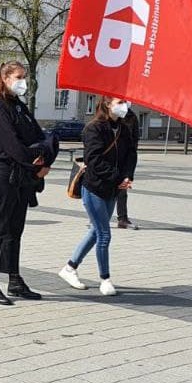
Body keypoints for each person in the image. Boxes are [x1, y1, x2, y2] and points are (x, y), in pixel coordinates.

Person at [0, 61, 51, 305]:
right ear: (5, 78)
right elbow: (12, 145)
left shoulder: (18, 106)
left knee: (15, 229)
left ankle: (14, 279)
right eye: (19, 77)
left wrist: (44, 156)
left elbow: (37, 136)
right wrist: (36, 166)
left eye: (25, 77)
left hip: (21, 174)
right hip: (3, 173)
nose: (23, 81)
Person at [58, 96, 137, 296]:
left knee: (96, 231)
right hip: (95, 187)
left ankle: (69, 268)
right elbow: (93, 159)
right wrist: (117, 177)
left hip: (113, 188)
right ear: (107, 105)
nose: (124, 106)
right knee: (104, 234)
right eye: (119, 102)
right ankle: (105, 279)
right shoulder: (93, 129)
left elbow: (131, 155)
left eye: (125, 102)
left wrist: (127, 176)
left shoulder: (124, 128)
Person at [115, 106, 140, 230]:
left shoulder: (131, 117)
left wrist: (129, 171)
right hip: (107, 160)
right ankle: (96, 219)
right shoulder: (105, 116)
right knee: (102, 192)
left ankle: (123, 219)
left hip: (123, 159)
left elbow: (135, 140)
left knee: (122, 191)